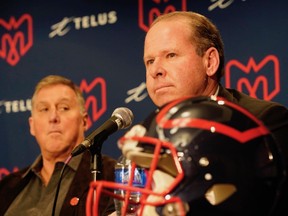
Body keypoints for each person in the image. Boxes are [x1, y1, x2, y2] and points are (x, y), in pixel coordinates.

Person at [142, 11, 288, 214]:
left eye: (171, 55)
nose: (155, 70)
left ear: (210, 62)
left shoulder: (262, 122)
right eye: (149, 61)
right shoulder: (149, 134)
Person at [0, 75, 116, 215]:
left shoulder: (112, 176)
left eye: (64, 108)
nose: (53, 117)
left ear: (84, 121)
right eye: (44, 109)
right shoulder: (6, 188)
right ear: (32, 125)